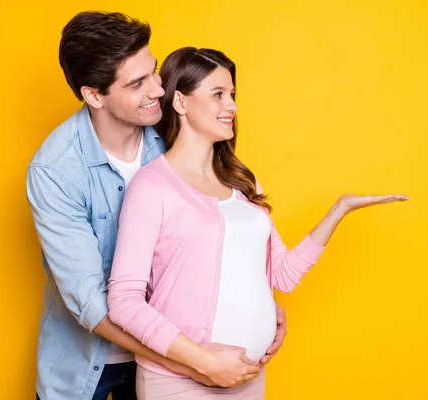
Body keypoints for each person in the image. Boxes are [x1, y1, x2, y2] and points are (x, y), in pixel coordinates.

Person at [106, 46, 409, 399]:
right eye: (218, 94)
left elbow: (281, 274)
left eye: (232, 94)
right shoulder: (152, 186)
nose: (232, 106)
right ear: (181, 103)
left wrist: (338, 210)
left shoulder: (241, 181)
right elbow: (124, 302)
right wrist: (203, 360)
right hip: (181, 384)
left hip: (247, 378)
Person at [27, 12, 286, 400]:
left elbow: (215, 238)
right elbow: (92, 303)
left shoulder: (173, 140)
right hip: (89, 368)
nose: (158, 91)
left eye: (153, 73)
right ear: (93, 95)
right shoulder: (55, 171)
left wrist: (257, 305)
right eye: (137, 84)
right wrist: (195, 361)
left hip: (176, 361)